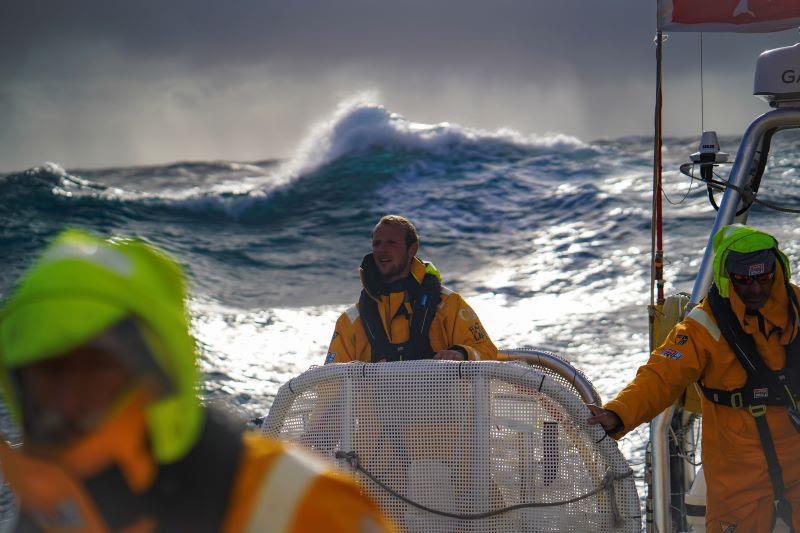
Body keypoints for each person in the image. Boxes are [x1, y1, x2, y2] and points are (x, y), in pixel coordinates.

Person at [0, 229, 394, 532]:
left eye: (97, 368)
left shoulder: (304, 506)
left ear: (160, 372)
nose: (68, 400)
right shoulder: (42, 507)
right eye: (48, 372)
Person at [588, 224, 800, 531]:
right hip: (737, 471)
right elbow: (659, 376)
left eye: (763, 278)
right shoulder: (701, 327)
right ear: (726, 278)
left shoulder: (797, 306)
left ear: (777, 270)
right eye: (742, 280)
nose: (755, 289)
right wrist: (617, 413)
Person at [325, 215, 497, 364]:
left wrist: (461, 353)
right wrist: (356, 372)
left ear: (412, 249)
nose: (382, 250)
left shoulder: (449, 304)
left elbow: (487, 352)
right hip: (379, 403)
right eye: (377, 243)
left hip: (442, 402)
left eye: (392, 243)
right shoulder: (350, 320)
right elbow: (330, 384)